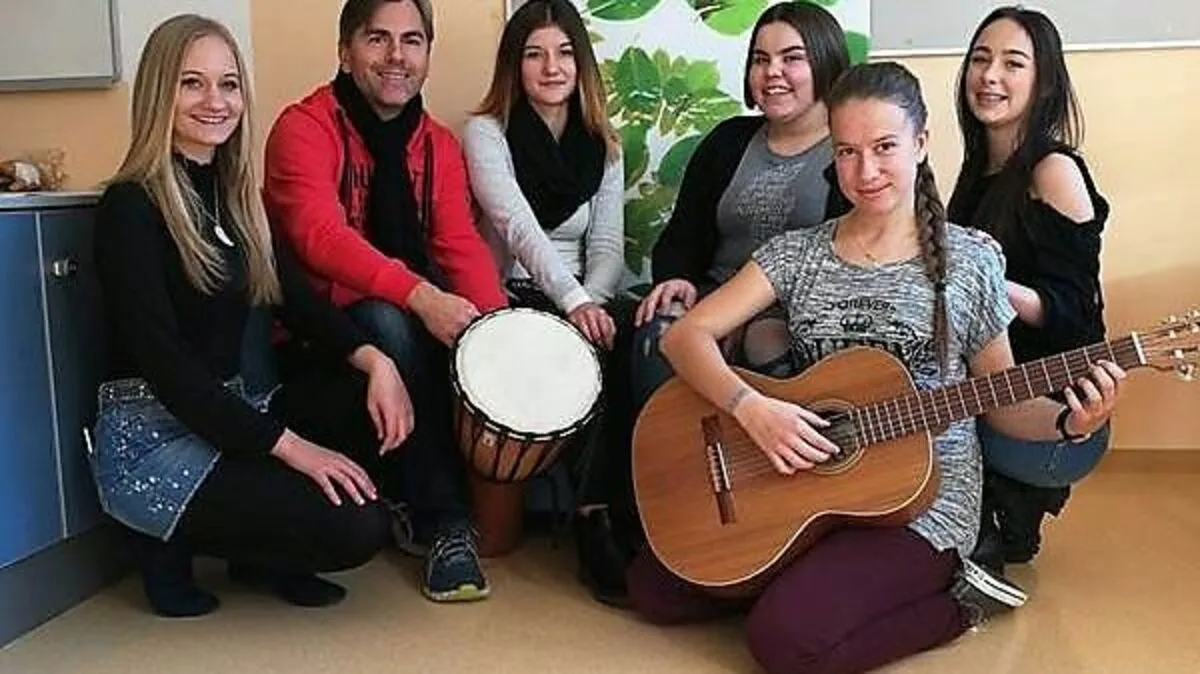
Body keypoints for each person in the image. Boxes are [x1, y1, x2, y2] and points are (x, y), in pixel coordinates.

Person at [624, 61, 1125, 674]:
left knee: (784, 642)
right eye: (848, 151)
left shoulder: (970, 264)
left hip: (921, 504)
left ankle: (960, 600)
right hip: (811, 482)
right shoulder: (797, 254)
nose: (866, 171)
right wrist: (750, 408)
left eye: (885, 147)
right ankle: (809, 575)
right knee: (654, 586)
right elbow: (686, 338)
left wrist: (1073, 424)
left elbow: (1001, 401)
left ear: (919, 143)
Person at [89, 14, 412, 618]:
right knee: (356, 529)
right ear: (162, 92)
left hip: (229, 413)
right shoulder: (129, 207)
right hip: (156, 436)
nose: (217, 101)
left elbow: (299, 298)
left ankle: (263, 554)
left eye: (229, 83)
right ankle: (166, 542)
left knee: (364, 401)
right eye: (193, 83)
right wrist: (292, 449)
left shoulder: (235, 196)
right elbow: (169, 371)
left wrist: (378, 361)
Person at [263, 0, 506, 603]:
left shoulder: (437, 146)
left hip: (402, 327)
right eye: (378, 39)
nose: (397, 56)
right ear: (345, 51)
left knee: (470, 335)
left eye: (413, 41)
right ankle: (443, 522)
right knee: (387, 322)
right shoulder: (303, 128)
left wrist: (502, 334)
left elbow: (457, 244)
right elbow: (319, 238)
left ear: (428, 54)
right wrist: (422, 298)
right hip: (317, 346)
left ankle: (426, 495)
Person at [461, 0, 633, 607]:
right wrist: (572, 302)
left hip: (588, 296)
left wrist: (596, 305)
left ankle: (598, 515)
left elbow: (609, 243)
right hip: (513, 291)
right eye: (534, 54)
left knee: (637, 338)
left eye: (563, 53)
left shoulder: (604, 145)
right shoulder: (486, 131)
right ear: (515, 65)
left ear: (581, 63)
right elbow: (514, 226)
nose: (551, 67)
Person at [946, 6, 1112, 576]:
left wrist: (983, 280)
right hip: (983, 386)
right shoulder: (977, 172)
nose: (990, 76)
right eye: (980, 59)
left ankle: (1011, 510)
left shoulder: (1053, 169)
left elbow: (1074, 315)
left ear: (1043, 85)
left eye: (1013, 63)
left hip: (1052, 408)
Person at [632, 1, 852, 413]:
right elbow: (682, 236)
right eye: (760, 60)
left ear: (825, 64)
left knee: (766, 343)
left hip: (794, 313)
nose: (772, 73)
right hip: (711, 302)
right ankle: (660, 473)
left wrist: (746, 316)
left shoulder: (850, 152)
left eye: (792, 59)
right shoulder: (727, 141)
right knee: (655, 329)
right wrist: (678, 278)